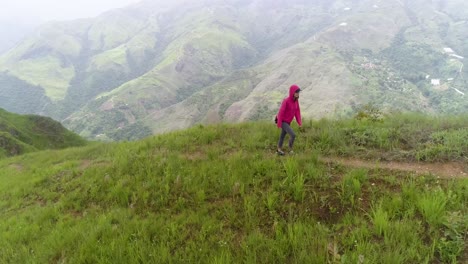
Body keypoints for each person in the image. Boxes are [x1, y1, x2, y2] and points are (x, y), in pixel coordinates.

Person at [275, 84, 302, 155]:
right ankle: (290, 150)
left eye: (298, 92)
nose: (298, 93)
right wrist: (279, 123)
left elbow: (297, 112)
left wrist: (299, 122)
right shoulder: (286, 101)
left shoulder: (296, 101)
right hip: (283, 121)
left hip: (288, 121)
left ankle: (279, 149)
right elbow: (281, 112)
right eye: (296, 92)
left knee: (282, 136)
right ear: (292, 92)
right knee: (293, 135)